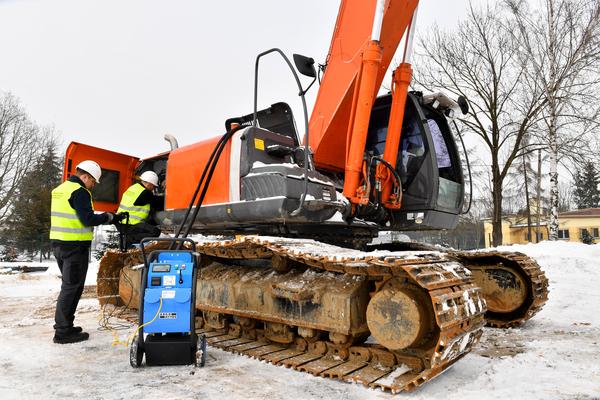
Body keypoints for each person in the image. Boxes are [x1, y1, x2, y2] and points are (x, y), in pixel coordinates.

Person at [49, 160, 126, 344]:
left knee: (69, 286)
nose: (93, 186)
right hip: (75, 247)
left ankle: (66, 324)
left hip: (59, 244)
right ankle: (63, 332)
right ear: (86, 177)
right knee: (72, 288)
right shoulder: (80, 192)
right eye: (93, 182)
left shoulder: (60, 189)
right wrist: (109, 217)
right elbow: (87, 219)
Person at [116, 170, 162, 247]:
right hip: (131, 225)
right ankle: (129, 238)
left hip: (122, 224)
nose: (153, 189)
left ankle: (128, 241)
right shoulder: (145, 193)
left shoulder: (133, 188)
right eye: (153, 186)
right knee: (156, 232)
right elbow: (158, 203)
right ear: (148, 184)